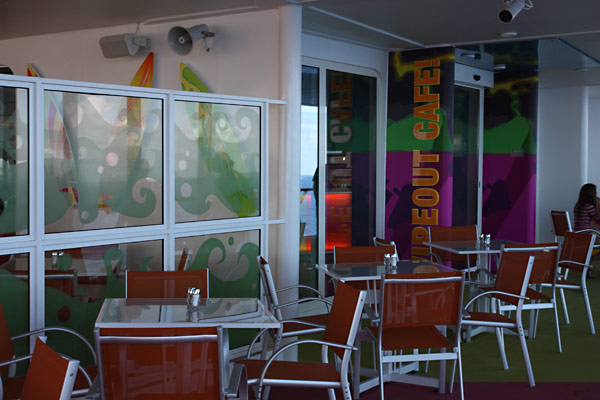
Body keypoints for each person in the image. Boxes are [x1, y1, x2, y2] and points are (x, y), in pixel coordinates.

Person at [574, 183, 600, 277]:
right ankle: (589, 262)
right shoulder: (589, 207)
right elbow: (598, 220)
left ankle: (589, 265)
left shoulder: (578, 205)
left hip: (579, 235)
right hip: (587, 236)